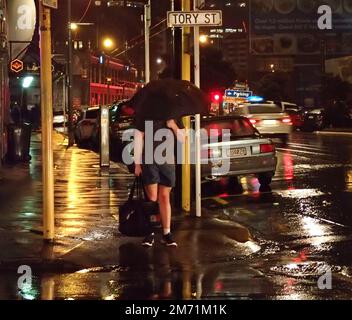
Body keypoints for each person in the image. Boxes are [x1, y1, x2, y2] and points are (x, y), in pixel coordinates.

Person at [134, 118, 185, 247]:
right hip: (149, 160)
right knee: (152, 198)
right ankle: (149, 232)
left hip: (167, 162)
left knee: (164, 197)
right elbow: (139, 137)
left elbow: (183, 139)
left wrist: (173, 126)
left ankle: (166, 233)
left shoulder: (174, 116)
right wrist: (137, 163)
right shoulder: (146, 114)